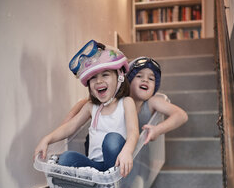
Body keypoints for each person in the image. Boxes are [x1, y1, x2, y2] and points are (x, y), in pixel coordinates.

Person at [34, 40, 139, 178]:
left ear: (119, 77)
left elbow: (133, 132)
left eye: (105, 74)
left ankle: (113, 187)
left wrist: (127, 151)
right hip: (95, 169)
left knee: (112, 139)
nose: (99, 81)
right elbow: (70, 127)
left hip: (116, 167)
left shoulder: (126, 102)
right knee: (66, 158)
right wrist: (47, 139)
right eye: (93, 77)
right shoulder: (91, 107)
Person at [61, 56, 188, 145]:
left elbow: (181, 115)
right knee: (94, 138)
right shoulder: (116, 99)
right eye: (139, 76)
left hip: (135, 154)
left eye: (151, 79)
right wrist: (65, 125)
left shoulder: (152, 102)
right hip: (109, 147)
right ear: (128, 81)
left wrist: (158, 129)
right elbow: (84, 103)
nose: (145, 80)